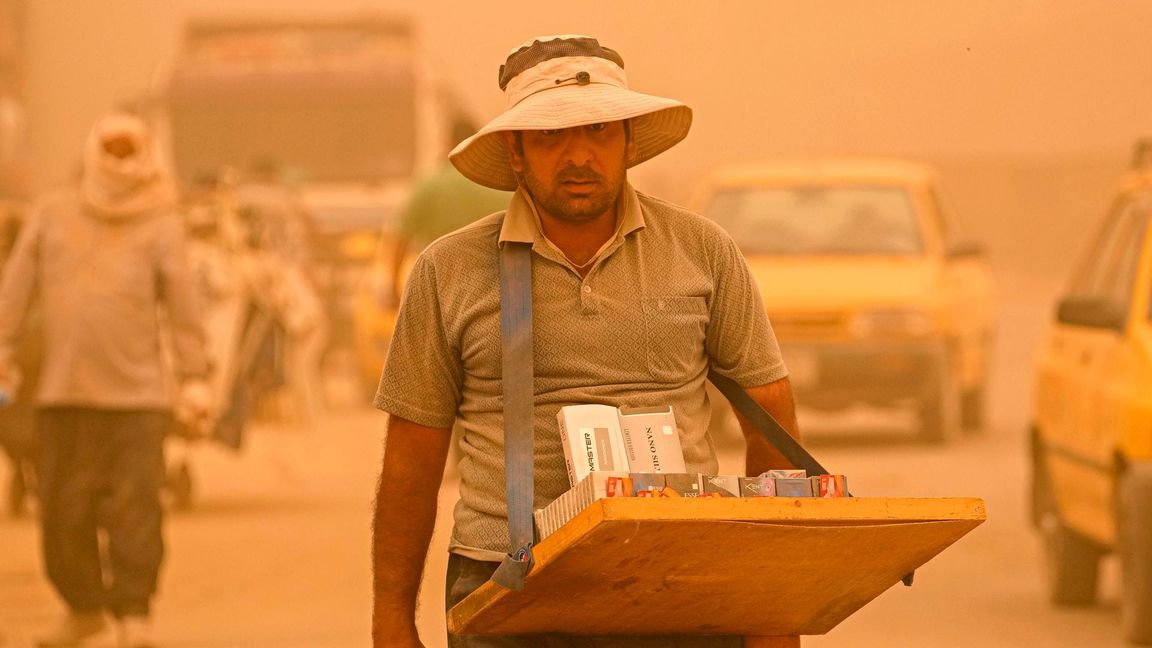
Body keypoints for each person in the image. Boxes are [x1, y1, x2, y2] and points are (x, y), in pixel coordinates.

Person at [371, 35, 800, 648]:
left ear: (629, 142)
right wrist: (391, 621)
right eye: (551, 135)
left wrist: (772, 613)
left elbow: (771, 421)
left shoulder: (703, 251)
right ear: (516, 152)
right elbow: (412, 458)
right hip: (506, 584)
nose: (579, 156)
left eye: (598, 130)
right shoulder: (447, 270)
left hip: (681, 575)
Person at [0, 112, 212, 648]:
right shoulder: (52, 214)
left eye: (128, 151)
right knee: (61, 514)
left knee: (134, 513)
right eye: (111, 150)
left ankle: (133, 618)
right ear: (94, 152)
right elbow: (15, 291)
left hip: (137, 401)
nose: (119, 161)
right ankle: (83, 609)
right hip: (61, 396)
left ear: (145, 157)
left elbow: (184, 307)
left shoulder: (161, 223)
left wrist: (194, 377)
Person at [384, 117, 511, 308]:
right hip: (494, 291)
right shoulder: (500, 185)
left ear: (449, 142)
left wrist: (393, 288)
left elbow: (400, 239)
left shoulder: (429, 185)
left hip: (441, 291)